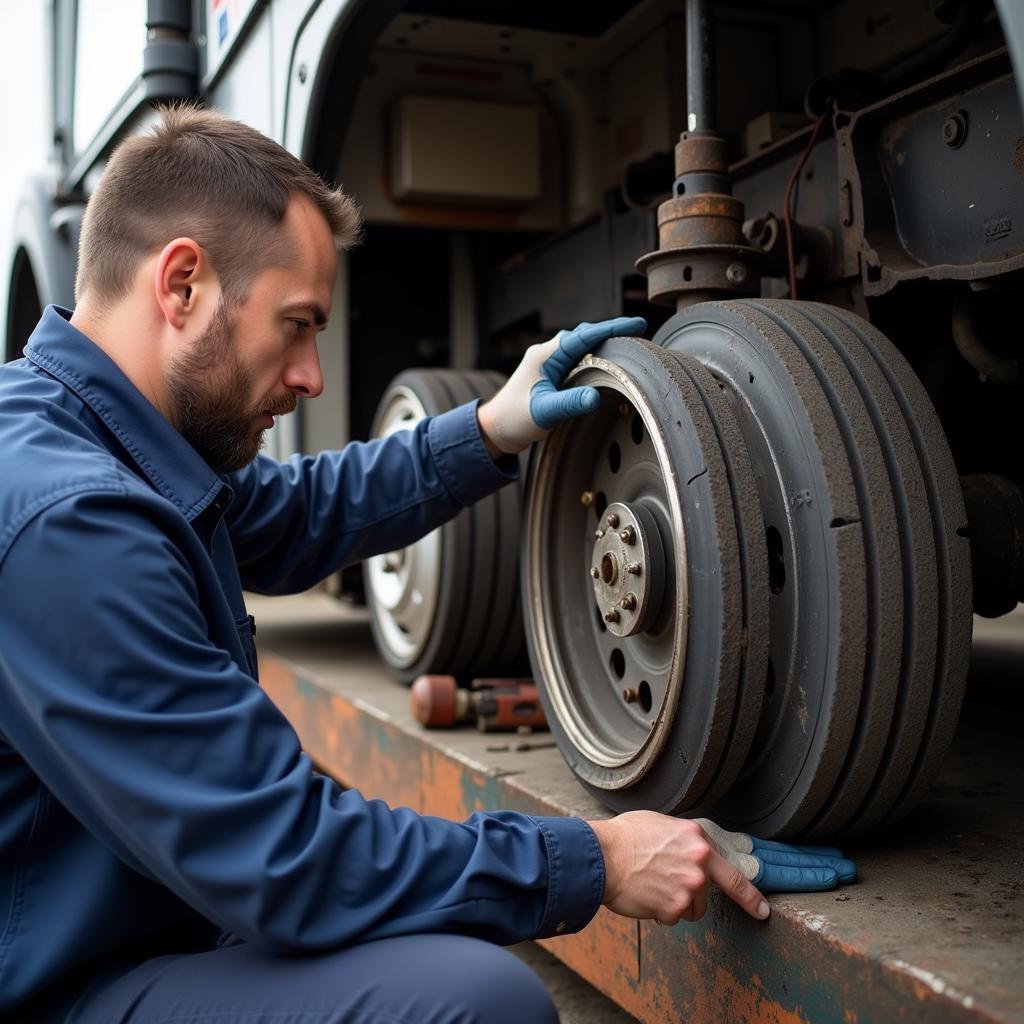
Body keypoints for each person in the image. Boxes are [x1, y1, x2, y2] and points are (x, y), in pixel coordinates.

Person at [0, 106, 855, 1023]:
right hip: (66, 986)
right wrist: (596, 861)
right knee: (476, 1004)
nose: (313, 377)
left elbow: (291, 517)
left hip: (135, 919)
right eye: (296, 325)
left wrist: (489, 429)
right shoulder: (72, 523)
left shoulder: (97, 439)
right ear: (181, 284)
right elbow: (287, 860)